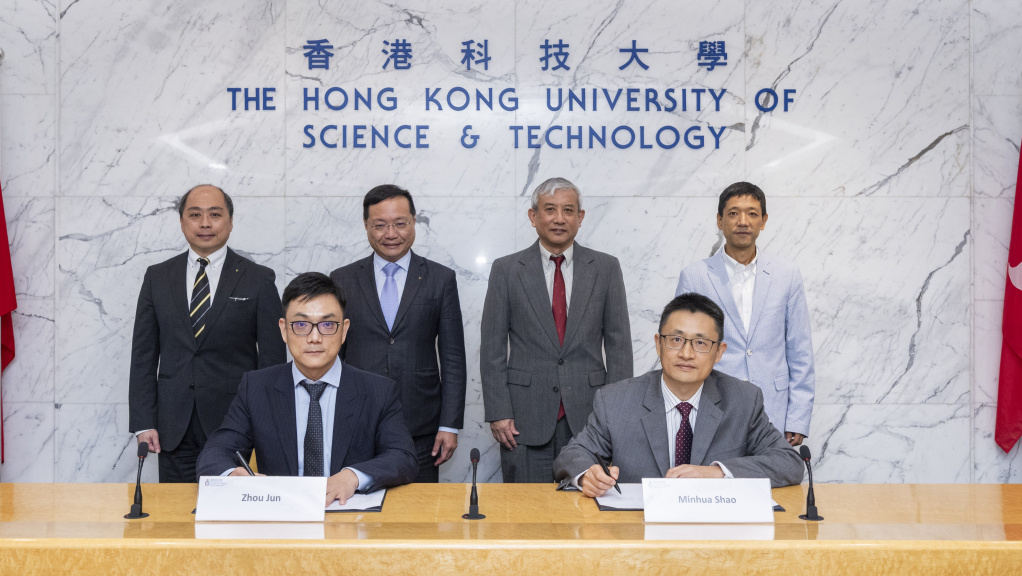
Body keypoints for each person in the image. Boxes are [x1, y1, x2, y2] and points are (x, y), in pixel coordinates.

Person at [195, 272, 418, 504]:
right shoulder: (256, 387)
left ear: (344, 330)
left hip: (350, 520)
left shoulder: (378, 391)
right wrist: (232, 475)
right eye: (301, 325)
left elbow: (403, 457)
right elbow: (215, 453)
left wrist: (352, 476)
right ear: (284, 329)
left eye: (328, 324)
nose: (314, 337)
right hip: (282, 519)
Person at [553, 293, 805, 496]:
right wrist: (588, 475)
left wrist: (717, 473)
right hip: (637, 535)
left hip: (715, 536)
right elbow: (571, 455)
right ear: (658, 344)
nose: (686, 353)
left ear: (719, 352)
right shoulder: (616, 400)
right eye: (676, 339)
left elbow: (788, 463)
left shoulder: (743, 401)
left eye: (700, 343)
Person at [128, 184, 286, 483]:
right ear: (181, 221)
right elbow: (143, 356)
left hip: (236, 423)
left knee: (233, 515)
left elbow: (272, 363)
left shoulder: (258, 279)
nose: (205, 223)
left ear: (230, 221)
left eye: (215, 214)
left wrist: (266, 423)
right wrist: (143, 422)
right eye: (195, 214)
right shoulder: (157, 277)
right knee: (175, 517)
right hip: (174, 425)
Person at [481, 177, 633, 483]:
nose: (559, 218)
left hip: (590, 417)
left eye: (568, 210)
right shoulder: (507, 270)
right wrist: (498, 412)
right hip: (523, 419)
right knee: (524, 515)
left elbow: (619, 347)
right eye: (550, 209)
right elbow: (492, 348)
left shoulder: (605, 268)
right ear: (533, 216)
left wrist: (615, 416)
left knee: (588, 514)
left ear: (580, 217)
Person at [330, 185, 466, 482]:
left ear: (414, 222)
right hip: (355, 422)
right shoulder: (342, 279)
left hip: (421, 427)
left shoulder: (441, 279)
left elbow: (453, 356)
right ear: (366, 226)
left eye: (400, 223)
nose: (391, 233)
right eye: (380, 225)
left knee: (420, 517)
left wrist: (449, 425)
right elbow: (331, 354)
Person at [675, 182, 815, 445]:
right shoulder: (695, 276)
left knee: (771, 482)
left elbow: (800, 350)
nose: (743, 221)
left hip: (773, 408)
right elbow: (681, 350)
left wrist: (798, 417)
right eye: (733, 213)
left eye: (752, 213)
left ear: (763, 221)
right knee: (715, 479)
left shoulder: (786, 274)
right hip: (713, 404)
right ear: (719, 220)